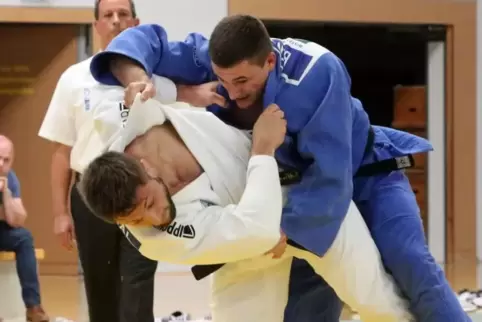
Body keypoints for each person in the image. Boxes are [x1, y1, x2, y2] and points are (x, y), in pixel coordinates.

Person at [88, 15, 469, 321]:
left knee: (409, 264)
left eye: (242, 81)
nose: (232, 91)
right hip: (287, 196)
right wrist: (145, 79)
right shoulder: (211, 64)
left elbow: (331, 176)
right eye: (223, 80)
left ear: (269, 60)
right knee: (304, 309)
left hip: (361, 176)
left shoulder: (318, 72)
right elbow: (145, 43)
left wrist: (284, 222)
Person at [79, 96, 411, 321]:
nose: (153, 220)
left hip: (309, 201)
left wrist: (174, 86)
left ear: (144, 167)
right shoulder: (155, 240)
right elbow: (257, 231)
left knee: (375, 299)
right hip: (248, 249)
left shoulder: (131, 121)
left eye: (148, 204)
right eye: (134, 220)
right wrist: (263, 149)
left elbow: (136, 56)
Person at [36, 1, 174, 322]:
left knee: (138, 286)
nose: (116, 22)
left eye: (123, 15)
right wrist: (60, 213)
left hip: (144, 193)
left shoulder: (155, 78)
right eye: (108, 16)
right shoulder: (73, 78)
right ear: (96, 25)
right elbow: (61, 151)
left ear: (136, 22)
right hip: (90, 195)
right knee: (100, 290)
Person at [0, 135, 49, 322]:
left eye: (6, 160)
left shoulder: (10, 178)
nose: (1, 164)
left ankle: (33, 307)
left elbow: (17, 220)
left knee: (24, 237)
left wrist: (6, 193)